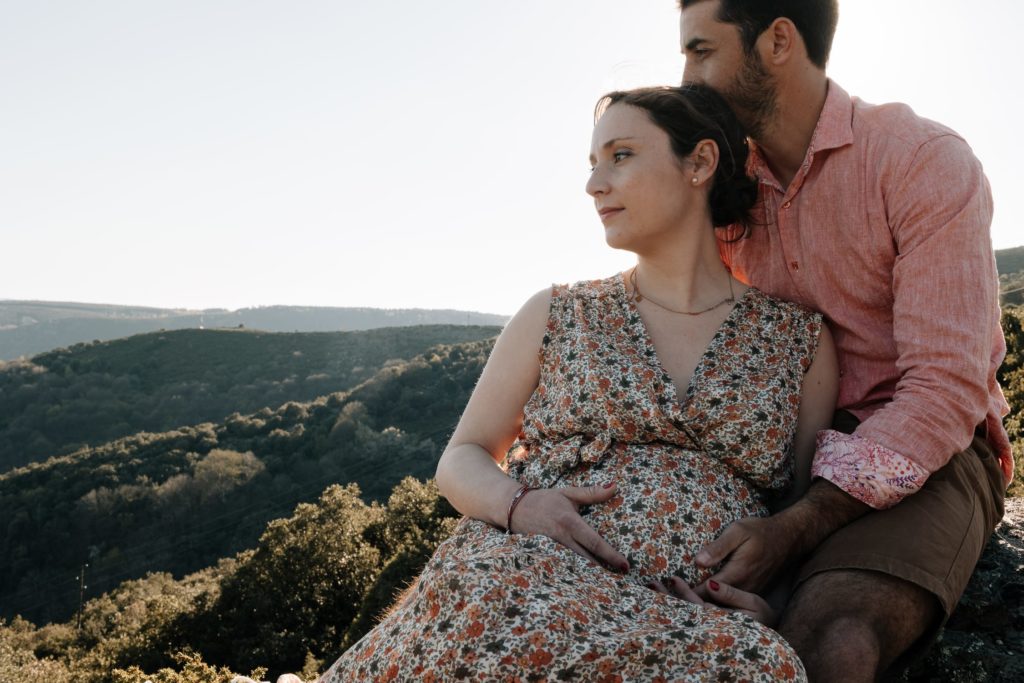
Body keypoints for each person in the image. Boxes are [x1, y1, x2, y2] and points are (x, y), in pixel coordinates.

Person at [316, 84, 838, 682]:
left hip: (690, 621)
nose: (594, 185)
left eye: (620, 156)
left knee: (766, 669)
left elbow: (795, 517)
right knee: (503, 633)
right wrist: (519, 505)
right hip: (528, 582)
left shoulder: (798, 340)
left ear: (699, 163)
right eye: (592, 164)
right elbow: (460, 458)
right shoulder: (558, 313)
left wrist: (770, 606)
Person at [672, 1, 1011, 680]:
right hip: (768, 449)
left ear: (777, 41)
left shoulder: (920, 159)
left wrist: (796, 526)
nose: (686, 76)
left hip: (929, 452)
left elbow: (944, 392)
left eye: (701, 50)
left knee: (829, 641)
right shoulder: (720, 186)